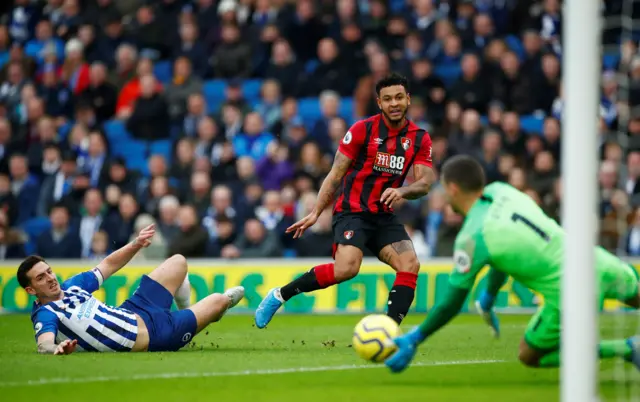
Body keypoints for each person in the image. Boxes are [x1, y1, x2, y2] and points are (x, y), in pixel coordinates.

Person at [385, 155, 640, 372]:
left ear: (452, 189)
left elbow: (451, 303)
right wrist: (489, 295)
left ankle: (627, 348)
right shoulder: (502, 190)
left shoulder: (472, 237)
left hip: (571, 292)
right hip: (597, 261)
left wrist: (417, 337)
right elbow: (503, 254)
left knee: (529, 355)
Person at [254, 73, 436, 328]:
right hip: (353, 211)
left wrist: (403, 192)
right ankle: (280, 295)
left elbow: (425, 182)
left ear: (407, 99)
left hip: (383, 215)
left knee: (410, 263)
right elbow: (335, 173)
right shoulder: (363, 129)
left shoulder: (419, 138)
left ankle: (388, 329)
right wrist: (317, 211)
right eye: (387, 99)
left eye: (398, 97)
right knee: (347, 269)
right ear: (379, 103)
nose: (394, 103)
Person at [19, 224, 244, 354]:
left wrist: (136, 244)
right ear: (31, 290)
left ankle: (186, 309)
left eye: (49, 271)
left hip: (136, 309)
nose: (50, 278)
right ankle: (188, 319)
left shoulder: (73, 286)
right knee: (219, 300)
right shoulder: (46, 313)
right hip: (157, 335)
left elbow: (107, 265)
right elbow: (44, 343)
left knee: (177, 262)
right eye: (41, 277)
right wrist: (56, 349)